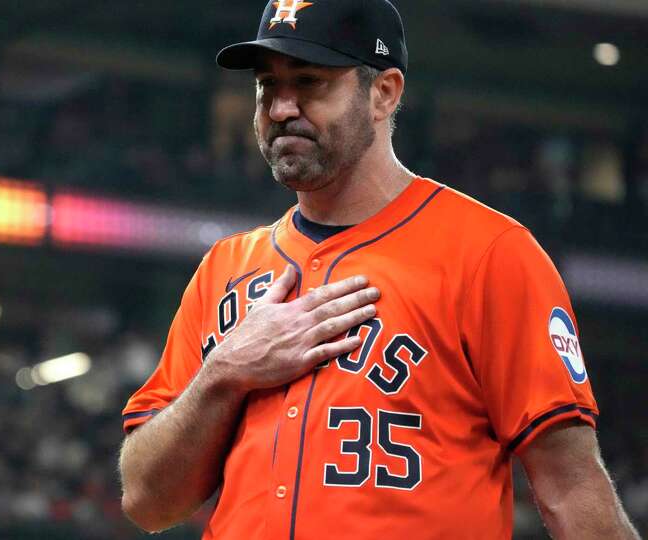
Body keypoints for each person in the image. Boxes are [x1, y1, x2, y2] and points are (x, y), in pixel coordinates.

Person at [118, 0, 640, 539]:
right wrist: (224, 372)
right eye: (267, 86)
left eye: (310, 82)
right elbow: (147, 502)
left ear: (384, 93)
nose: (280, 108)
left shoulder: (491, 254)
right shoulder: (223, 268)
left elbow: (571, 488)